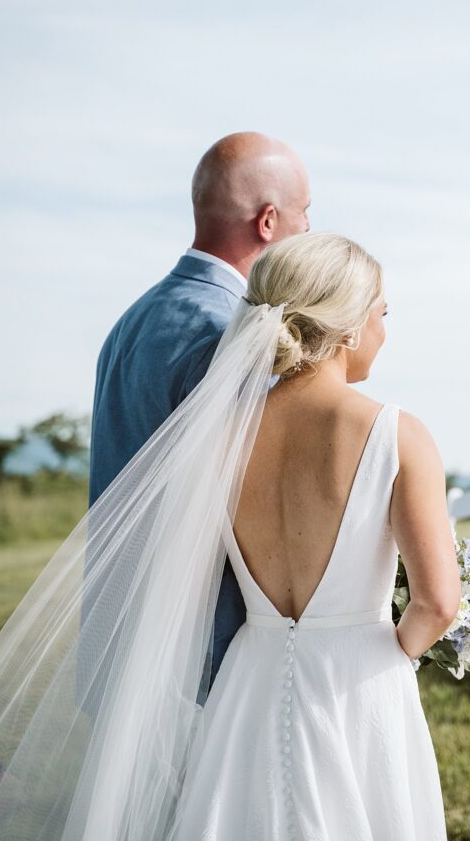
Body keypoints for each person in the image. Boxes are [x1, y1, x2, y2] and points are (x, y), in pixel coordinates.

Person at [0, 233, 460, 840]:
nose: (384, 330)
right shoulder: (397, 432)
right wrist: (386, 657)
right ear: (346, 327)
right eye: (382, 314)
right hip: (357, 680)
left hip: (249, 678)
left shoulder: (217, 436)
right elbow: (438, 603)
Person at [89, 131, 311, 686]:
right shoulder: (231, 332)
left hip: (120, 615)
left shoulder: (133, 318)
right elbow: (246, 500)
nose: (309, 228)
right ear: (268, 222)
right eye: (305, 212)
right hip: (197, 636)